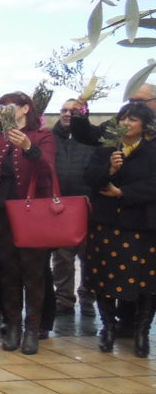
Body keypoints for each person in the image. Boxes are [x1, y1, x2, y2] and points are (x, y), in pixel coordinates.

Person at [0, 91, 55, 355]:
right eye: (2, 107)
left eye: (9, 107)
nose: (4, 111)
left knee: (34, 274)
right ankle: (13, 325)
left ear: (25, 108)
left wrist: (30, 148)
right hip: (2, 214)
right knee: (8, 273)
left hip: (32, 216)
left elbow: (49, 169)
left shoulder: (43, 136)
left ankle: (32, 330)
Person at [84, 102, 156, 358]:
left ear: (144, 125)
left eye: (133, 120)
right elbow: (89, 178)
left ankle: (141, 332)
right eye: (123, 119)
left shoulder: (151, 150)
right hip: (106, 224)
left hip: (141, 226)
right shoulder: (107, 148)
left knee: (146, 282)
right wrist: (110, 170)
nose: (126, 124)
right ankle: (109, 328)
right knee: (104, 277)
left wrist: (123, 192)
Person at [51, 98, 97, 317]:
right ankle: (63, 299)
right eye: (64, 110)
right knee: (62, 257)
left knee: (89, 256)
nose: (67, 114)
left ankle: (88, 296)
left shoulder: (92, 138)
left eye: (73, 111)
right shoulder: (50, 138)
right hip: (59, 206)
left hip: (87, 205)